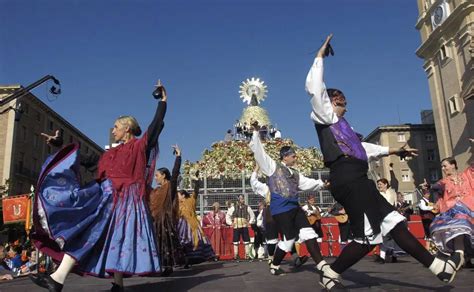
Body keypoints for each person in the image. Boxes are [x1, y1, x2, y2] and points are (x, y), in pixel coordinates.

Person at [306, 34, 462, 289]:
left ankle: (439, 268)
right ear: (332, 102)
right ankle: (331, 273)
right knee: (368, 236)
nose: (346, 107)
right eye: (342, 102)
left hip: (359, 179)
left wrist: (395, 152)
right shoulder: (326, 117)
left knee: (395, 223)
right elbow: (314, 89)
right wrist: (319, 57)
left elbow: (364, 148)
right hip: (347, 178)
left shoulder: (344, 127)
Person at [29, 82, 168, 292]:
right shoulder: (110, 154)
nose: (113, 131)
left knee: (104, 237)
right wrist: (59, 145)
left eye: (116, 127)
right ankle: (99, 283)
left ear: (127, 129)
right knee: (103, 237)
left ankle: (59, 279)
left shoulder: (139, 147)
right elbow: (86, 159)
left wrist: (163, 103)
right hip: (106, 198)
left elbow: (155, 127)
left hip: (125, 202)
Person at [249, 125, 327, 276]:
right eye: (293, 156)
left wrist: (323, 184)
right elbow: (260, 153)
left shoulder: (296, 174)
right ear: (285, 156)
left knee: (309, 233)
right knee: (289, 240)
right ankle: (275, 265)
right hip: (280, 210)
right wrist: (255, 133)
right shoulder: (273, 167)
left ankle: (322, 265)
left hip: (295, 208)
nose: (295, 158)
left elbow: (308, 183)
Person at [422, 158, 473, 269]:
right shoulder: (444, 181)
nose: (443, 168)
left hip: (470, 209)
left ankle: (465, 258)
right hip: (454, 211)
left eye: (445, 166)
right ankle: (459, 258)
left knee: (467, 234)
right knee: (458, 232)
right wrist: (429, 186)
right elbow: (437, 186)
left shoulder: (466, 175)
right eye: (442, 166)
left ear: (453, 165)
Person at [149, 145, 183, 276]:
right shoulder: (155, 190)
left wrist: (178, 157)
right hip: (155, 220)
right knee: (156, 244)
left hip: (166, 221)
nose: (155, 178)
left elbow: (175, 174)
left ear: (163, 176)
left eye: (157, 175)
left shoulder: (170, 187)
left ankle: (168, 267)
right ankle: (157, 266)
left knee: (166, 244)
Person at [177, 177, 215, 268]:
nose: (177, 196)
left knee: (194, 242)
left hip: (192, 225)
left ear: (183, 195)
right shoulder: (177, 204)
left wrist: (197, 181)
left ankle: (192, 260)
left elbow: (196, 191)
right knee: (182, 243)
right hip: (181, 225)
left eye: (178, 195)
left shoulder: (191, 200)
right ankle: (185, 260)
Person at [226, 195, 255, 261]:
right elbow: (227, 215)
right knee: (236, 241)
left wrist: (249, 222)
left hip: (244, 226)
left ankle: (247, 255)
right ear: (238, 200)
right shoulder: (233, 208)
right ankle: (236, 255)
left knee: (246, 240)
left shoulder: (247, 207)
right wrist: (230, 223)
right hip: (236, 226)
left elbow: (252, 215)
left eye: (243, 199)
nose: (243, 200)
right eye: (241, 199)